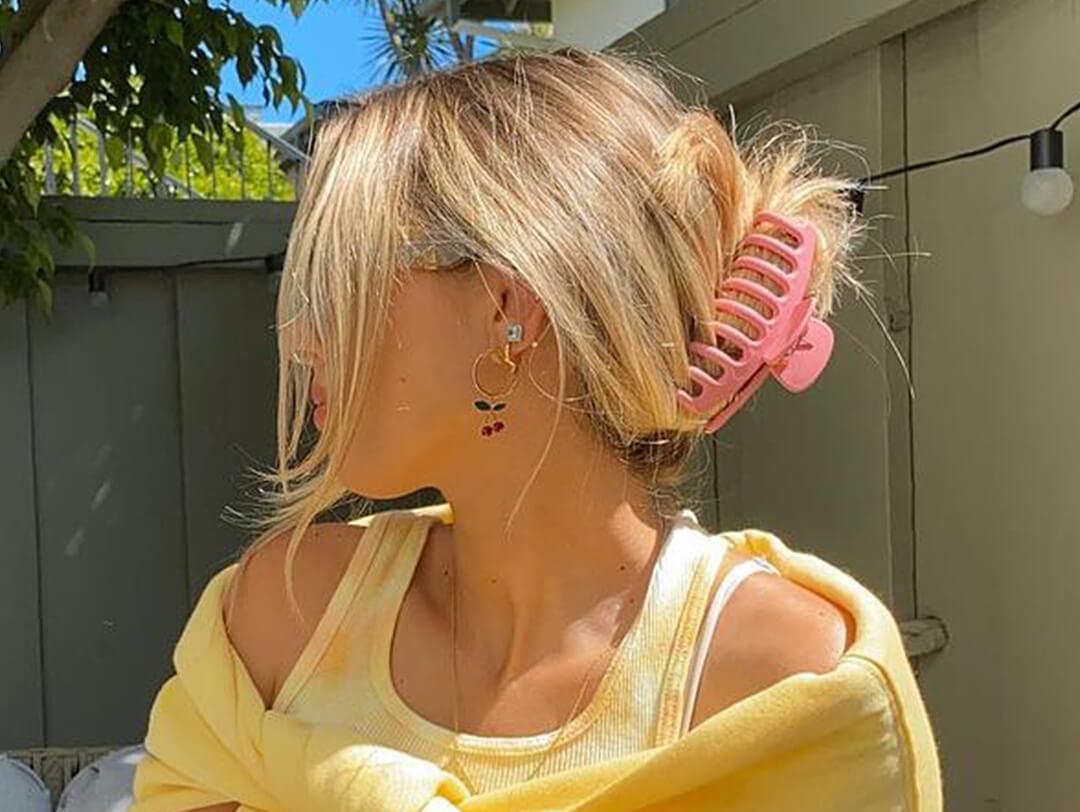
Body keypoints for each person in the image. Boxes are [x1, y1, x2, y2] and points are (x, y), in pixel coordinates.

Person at [136, 45, 939, 810]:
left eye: (342, 285)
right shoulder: (288, 612)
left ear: (505, 313)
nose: (303, 338)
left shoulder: (782, 690)